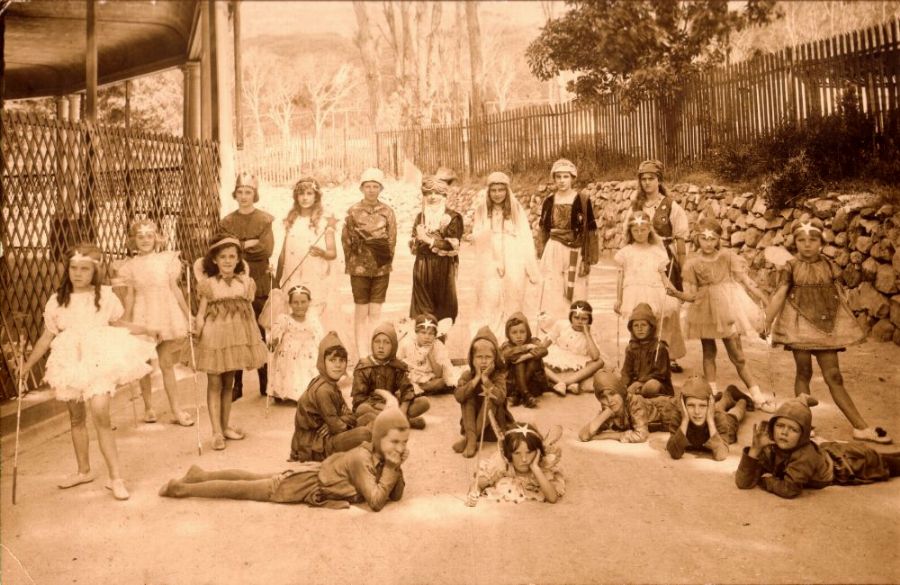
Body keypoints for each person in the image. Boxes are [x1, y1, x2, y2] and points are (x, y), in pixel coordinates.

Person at [19, 243, 158, 500]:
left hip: (99, 357)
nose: (78, 273)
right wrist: (27, 366)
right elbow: (46, 337)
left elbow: (118, 323)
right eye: (73, 268)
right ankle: (83, 470)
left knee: (100, 412)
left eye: (84, 269)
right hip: (70, 360)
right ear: (67, 269)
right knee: (75, 417)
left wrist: (145, 329)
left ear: (95, 271)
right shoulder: (57, 301)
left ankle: (115, 477)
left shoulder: (105, 296)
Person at [765, 219, 892, 444]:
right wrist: (767, 322)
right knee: (803, 373)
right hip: (799, 326)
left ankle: (860, 427)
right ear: (795, 243)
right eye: (801, 240)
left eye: (812, 240)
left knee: (834, 376)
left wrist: (845, 320)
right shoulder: (790, 266)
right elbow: (779, 294)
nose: (807, 245)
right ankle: (803, 424)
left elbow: (839, 293)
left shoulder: (828, 264)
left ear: (821, 242)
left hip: (827, 326)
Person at [160, 403, 410, 511]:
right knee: (244, 489)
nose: (399, 448)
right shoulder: (361, 458)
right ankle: (180, 488)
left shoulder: (381, 457)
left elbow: (395, 494)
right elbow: (377, 501)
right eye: (394, 442)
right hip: (303, 483)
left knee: (253, 478)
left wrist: (394, 465)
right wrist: (392, 466)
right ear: (377, 438)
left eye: (404, 443)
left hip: (314, 474)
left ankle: (200, 475)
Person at [664, 218, 774, 411]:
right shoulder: (692, 263)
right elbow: (691, 295)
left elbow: (746, 281)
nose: (708, 243)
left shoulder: (727, 257)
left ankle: (757, 396)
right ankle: (712, 396)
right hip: (704, 311)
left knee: (737, 356)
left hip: (728, 308)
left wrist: (764, 299)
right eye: (704, 238)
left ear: (718, 240)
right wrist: (675, 293)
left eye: (712, 239)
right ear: (697, 239)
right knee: (709, 353)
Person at [735, 398, 900, 498]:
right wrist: (755, 451)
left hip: (848, 464)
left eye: (793, 429)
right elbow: (743, 482)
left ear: (804, 435)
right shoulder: (770, 446)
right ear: (772, 427)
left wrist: (766, 481)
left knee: (888, 464)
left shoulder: (804, 455)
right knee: (888, 457)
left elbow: (790, 489)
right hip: (830, 453)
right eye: (780, 426)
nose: (784, 433)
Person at [192, 233, 267, 450]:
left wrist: (254, 337)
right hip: (214, 338)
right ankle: (215, 431)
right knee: (215, 383)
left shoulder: (245, 283)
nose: (227, 261)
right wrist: (197, 329)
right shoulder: (209, 285)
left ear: (238, 259)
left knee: (229, 384)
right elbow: (201, 313)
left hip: (236, 339)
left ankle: (224, 427)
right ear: (214, 260)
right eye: (222, 256)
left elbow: (248, 313)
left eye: (232, 256)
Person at [117, 219, 194, 427]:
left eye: (149, 236)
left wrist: (188, 315)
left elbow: (175, 289)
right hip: (143, 314)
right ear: (133, 240)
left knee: (166, 363)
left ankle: (176, 408)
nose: (145, 240)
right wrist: (127, 318)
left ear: (156, 238)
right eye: (140, 237)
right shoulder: (130, 266)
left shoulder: (166, 261)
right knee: (145, 365)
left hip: (165, 312)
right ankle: (148, 406)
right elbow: (130, 296)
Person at [627, 160, 688, 372]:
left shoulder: (671, 205)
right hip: (642, 259)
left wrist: (684, 267)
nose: (647, 183)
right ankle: (641, 350)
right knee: (643, 304)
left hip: (666, 257)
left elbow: (680, 240)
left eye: (651, 178)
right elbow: (627, 234)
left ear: (659, 180)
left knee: (668, 308)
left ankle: (668, 354)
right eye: (643, 179)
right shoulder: (636, 205)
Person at [220, 173, 274, 399]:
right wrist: (246, 244)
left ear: (255, 194)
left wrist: (239, 247)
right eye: (240, 192)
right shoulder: (227, 222)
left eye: (248, 192)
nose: (244, 197)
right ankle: (237, 385)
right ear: (235, 194)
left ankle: (266, 382)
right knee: (236, 331)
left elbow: (266, 249)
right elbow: (225, 250)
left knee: (260, 331)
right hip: (235, 279)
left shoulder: (264, 219)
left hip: (259, 279)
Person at [471, 171, 541, 337]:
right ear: (488, 192)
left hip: (513, 258)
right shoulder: (482, 210)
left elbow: (525, 237)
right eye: (493, 190)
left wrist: (531, 268)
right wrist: (487, 232)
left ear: (507, 191)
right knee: (490, 298)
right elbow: (476, 235)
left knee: (512, 297)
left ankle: (511, 339)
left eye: (501, 190)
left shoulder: (515, 210)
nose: (497, 194)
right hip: (489, 260)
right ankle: (491, 338)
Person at [289, 331, 371, 462]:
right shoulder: (324, 390)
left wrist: (337, 421)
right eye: (332, 360)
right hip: (314, 445)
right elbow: (338, 427)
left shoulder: (330, 383)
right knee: (364, 434)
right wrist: (338, 422)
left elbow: (348, 414)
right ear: (322, 361)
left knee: (368, 415)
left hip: (324, 437)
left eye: (342, 360)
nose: (338, 365)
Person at [614, 211, 685, 361]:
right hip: (634, 293)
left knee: (655, 328)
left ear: (649, 230)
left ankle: (654, 361)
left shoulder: (657, 252)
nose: (639, 234)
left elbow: (663, 277)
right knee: (637, 326)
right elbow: (620, 277)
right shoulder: (625, 252)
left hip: (655, 291)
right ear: (630, 232)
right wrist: (618, 299)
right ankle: (636, 360)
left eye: (643, 230)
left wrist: (676, 293)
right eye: (635, 230)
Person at [342, 168, 397, 360]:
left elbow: (391, 241)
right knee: (360, 312)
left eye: (375, 186)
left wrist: (384, 261)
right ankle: (361, 356)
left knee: (375, 312)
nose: (371, 190)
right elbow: (346, 240)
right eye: (368, 186)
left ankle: (375, 354)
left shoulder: (387, 212)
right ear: (361, 188)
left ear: (381, 188)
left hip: (381, 270)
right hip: (359, 269)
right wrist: (353, 263)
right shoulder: (353, 211)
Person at [538, 159, 599, 320]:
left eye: (566, 176)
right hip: (554, 249)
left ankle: (576, 326)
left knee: (576, 289)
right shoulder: (549, 201)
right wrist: (541, 252)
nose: (562, 181)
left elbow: (590, 229)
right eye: (558, 177)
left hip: (575, 249)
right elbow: (543, 229)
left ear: (572, 178)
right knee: (553, 290)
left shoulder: (582, 200)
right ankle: (555, 329)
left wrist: (587, 258)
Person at [275, 177, 338, 323]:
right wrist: (277, 280)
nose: (305, 198)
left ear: (316, 196)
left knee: (312, 315)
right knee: (293, 311)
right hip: (293, 273)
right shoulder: (291, 220)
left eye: (309, 193)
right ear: (296, 197)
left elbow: (332, 253)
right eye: (301, 194)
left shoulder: (324, 221)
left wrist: (322, 253)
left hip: (314, 274)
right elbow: (283, 253)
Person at [352, 322, 430, 430]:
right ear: (372, 343)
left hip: (395, 406)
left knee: (424, 402)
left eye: (386, 342)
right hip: (374, 407)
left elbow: (407, 391)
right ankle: (404, 422)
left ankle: (393, 422)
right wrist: (386, 408)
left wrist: (402, 409)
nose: (380, 346)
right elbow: (359, 399)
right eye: (377, 341)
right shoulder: (364, 367)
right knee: (362, 409)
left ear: (393, 345)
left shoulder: (397, 366)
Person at [453, 326, 515, 458]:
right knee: (466, 395)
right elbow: (458, 396)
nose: (483, 361)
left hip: (493, 427)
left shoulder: (498, 376)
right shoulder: (467, 375)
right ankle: (471, 437)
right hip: (471, 422)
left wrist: (486, 380)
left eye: (488, 357)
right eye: (479, 357)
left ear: (495, 358)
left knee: (491, 396)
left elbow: (500, 399)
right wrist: (476, 379)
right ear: (472, 358)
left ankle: (471, 440)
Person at [409, 176, 464, 323]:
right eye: (428, 193)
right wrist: (415, 239)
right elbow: (414, 246)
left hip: (443, 267)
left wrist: (427, 239)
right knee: (422, 311)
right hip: (422, 266)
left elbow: (451, 245)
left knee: (444, 311)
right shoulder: (420, 217)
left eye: (437, 193)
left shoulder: (453, 217)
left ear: (444, 195)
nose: (432, 197)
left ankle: (441, 344)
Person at [467, 422, 564, 505]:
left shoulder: (542, 465)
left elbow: (552, 498)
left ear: (538, 451)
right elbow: (478, 484)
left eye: (529, 452)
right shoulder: (502, 463)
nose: (524, 459)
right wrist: (473, 492)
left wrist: (535, 468)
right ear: (508, 454)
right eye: (517, 453)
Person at [578, 371, 681, 444]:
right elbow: (584, 436)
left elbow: (641, 435)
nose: (609, 400)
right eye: (603, 397)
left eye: (612, 394)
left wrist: (606, 436)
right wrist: (605, 414)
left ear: (620, 391)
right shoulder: (611, 410)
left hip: (671, 410)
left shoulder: (635, 403)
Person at [666, 378, 751, 461]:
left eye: (702, 405)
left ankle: (742, 401)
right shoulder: (679, 416)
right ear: (683, 406)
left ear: (709, 406)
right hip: (711, 410)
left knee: (734, 415)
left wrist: (710, 420)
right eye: (691, 405)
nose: (697, 411)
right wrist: (685, 420)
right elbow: (674, 452)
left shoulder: (718, 417)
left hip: (723, 420)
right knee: (718, 407)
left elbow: (721, 455)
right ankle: (727, 396)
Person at [600, 303, 674, 398]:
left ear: (651, 327)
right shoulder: (631, 348)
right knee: (613, 384)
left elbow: (659, 374)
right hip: (635, 385)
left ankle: (639, 398)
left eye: (644, 325)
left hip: (656, 386)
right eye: (636, 326)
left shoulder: (659, 347)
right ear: (631, 328)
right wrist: (624, 385)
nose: (640, 329)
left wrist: (639, 383)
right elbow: (626, 372)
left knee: (652, 386)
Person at [268, 285, 323, 402]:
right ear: (290, 304)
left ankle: (308, 393)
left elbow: (319, 336)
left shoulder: (312, 319)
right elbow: (276, 334)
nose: (299, 306)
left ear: (309, 302)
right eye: (295, 303)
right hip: (289, 354)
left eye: (303, 302)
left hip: (308, 353)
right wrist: (274, 340)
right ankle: (286, 392)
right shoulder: (284, 319)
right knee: (290, 365)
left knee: (309, 362)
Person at [543, 300, 606, 396]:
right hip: (560, 357)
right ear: (571, 317)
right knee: (538, 361)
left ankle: (565, 383)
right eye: (576, 318)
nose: (580, 322)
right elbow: (546, 342)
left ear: (589, 320)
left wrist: (587, 334)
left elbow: (595, 356)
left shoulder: (592, 331)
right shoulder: (561, 325)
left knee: (599, 362)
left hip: (579, 362)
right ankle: (562, 382)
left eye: (584, 319)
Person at [396, 313, 458, 397]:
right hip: (411, 375)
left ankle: (417, 389)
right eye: (423, 332)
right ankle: (415, 388)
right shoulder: (407, 343)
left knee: (441, 382)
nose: (427, 337)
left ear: (435, 335)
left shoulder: (437, 346)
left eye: (430, 334)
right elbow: (397, 360)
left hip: (428, 378)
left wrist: (430, 355)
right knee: (401, 379)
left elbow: (439, 374)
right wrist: (406, 368)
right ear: (416, 332)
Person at [500, 312, 550, 408]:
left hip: (533, 384)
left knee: (532, 360)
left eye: (522, 332)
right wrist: (526, 347)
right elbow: (506, 355)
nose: (519, 336)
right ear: (508, 334)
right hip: (512, 384)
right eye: (514, 333)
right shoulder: (507, 346)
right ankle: (526, 395)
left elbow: (544, 350)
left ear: (528, 332)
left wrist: (527, 356)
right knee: (518, 361)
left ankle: (520, 393)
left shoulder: (533, 341)